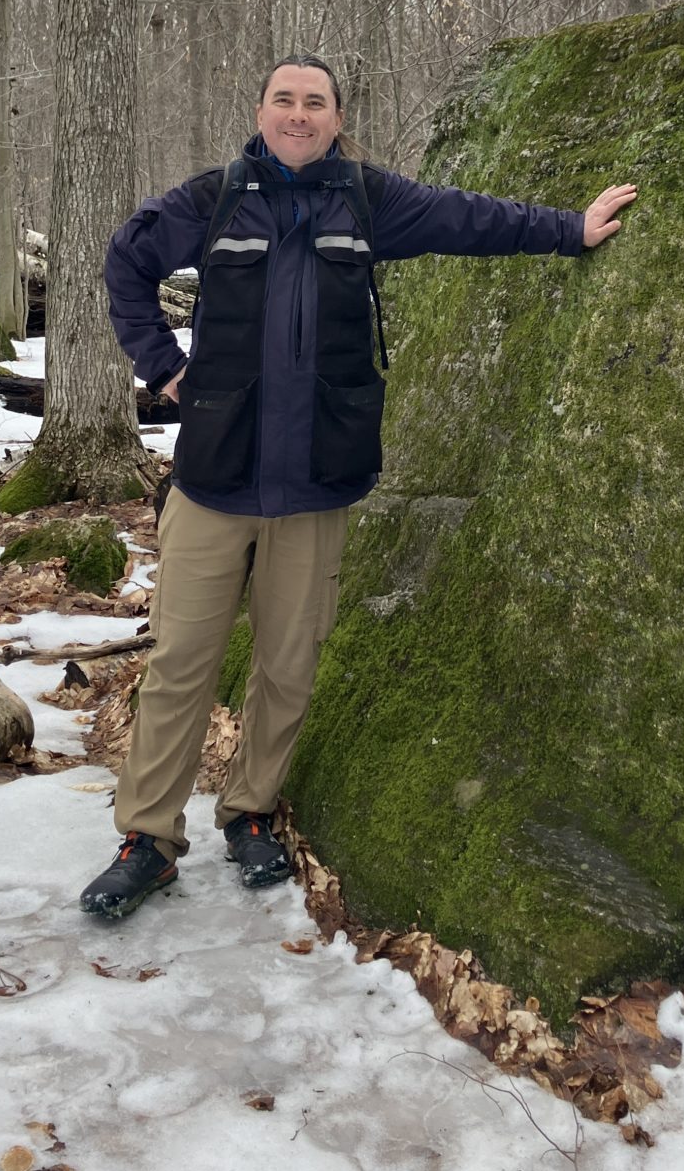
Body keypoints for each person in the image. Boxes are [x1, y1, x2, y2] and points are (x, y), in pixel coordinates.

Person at [79, 54, 636, 919]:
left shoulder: (368, 200)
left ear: (338, 118)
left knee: (288, 665)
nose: (298, 115)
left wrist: (571, 228)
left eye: (316, 102)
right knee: (181, 663)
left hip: (315, 482)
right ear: (261, 111)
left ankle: (251, 812)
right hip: (214, 478)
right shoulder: (212, 200)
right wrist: (163, 367)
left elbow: (470, 219)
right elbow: (125, 263)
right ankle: (148, 839)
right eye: (284, 100)